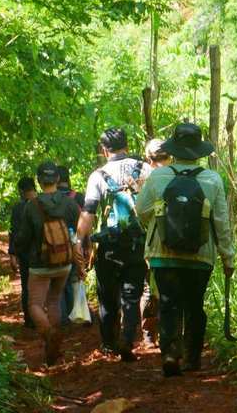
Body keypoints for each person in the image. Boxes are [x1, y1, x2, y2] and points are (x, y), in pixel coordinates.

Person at [136, 123, 235, 377]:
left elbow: (141, 210)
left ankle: (170, 353)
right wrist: (228, 256)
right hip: (200, 255)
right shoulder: (212, 179)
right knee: (194, 304)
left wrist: (159, 225)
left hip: (163, 254)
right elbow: (221, 221)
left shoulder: (158, 176)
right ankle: (192, 358)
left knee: (169, 303)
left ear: (174, 151)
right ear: (199, 151)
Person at [75, 128, 152, 362]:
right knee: (132, 293)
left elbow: (88, 211)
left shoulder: (98, 175)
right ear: (127, 146)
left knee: (107, 295)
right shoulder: (145, 169)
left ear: (104, 150)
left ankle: (109, 344)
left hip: (108, 245)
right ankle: (128, 339)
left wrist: (79, 241)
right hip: (138, 243)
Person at [19, 162, 81, 365]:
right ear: (57, 179)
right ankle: (55, 337)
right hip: (64, 261)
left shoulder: (31, 206)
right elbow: (75, 230)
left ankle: (49, 336)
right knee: (54, 301)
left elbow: (25, 238)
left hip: (40, 263)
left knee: (35, 304)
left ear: (38, 181)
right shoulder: (70, 203)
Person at [140, 139, 171, 347]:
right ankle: (172, 336)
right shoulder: (181, 174)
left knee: (149, 289)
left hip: (154, 242)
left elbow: (141, 211)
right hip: (184, 243)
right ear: (169, 156)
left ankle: (149, 335)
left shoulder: (147, 179)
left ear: (148, 159)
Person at [58, 166, 88, 329]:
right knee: (73, 279)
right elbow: (86, 222)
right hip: (76, 243)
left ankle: (63, 320)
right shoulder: (78, 197)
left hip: (54, 247)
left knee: (59, 283)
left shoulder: (47, 200)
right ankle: (75, 314)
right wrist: (88, 246)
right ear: (68, 179)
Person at [8, 177, 37, 329]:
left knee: (27, 286)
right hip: (44, 251)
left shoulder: (18, 209)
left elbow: (14, 232)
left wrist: (13, 254)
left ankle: (30, 320)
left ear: (21, 191)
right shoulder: (43, 203)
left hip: (25, 252)